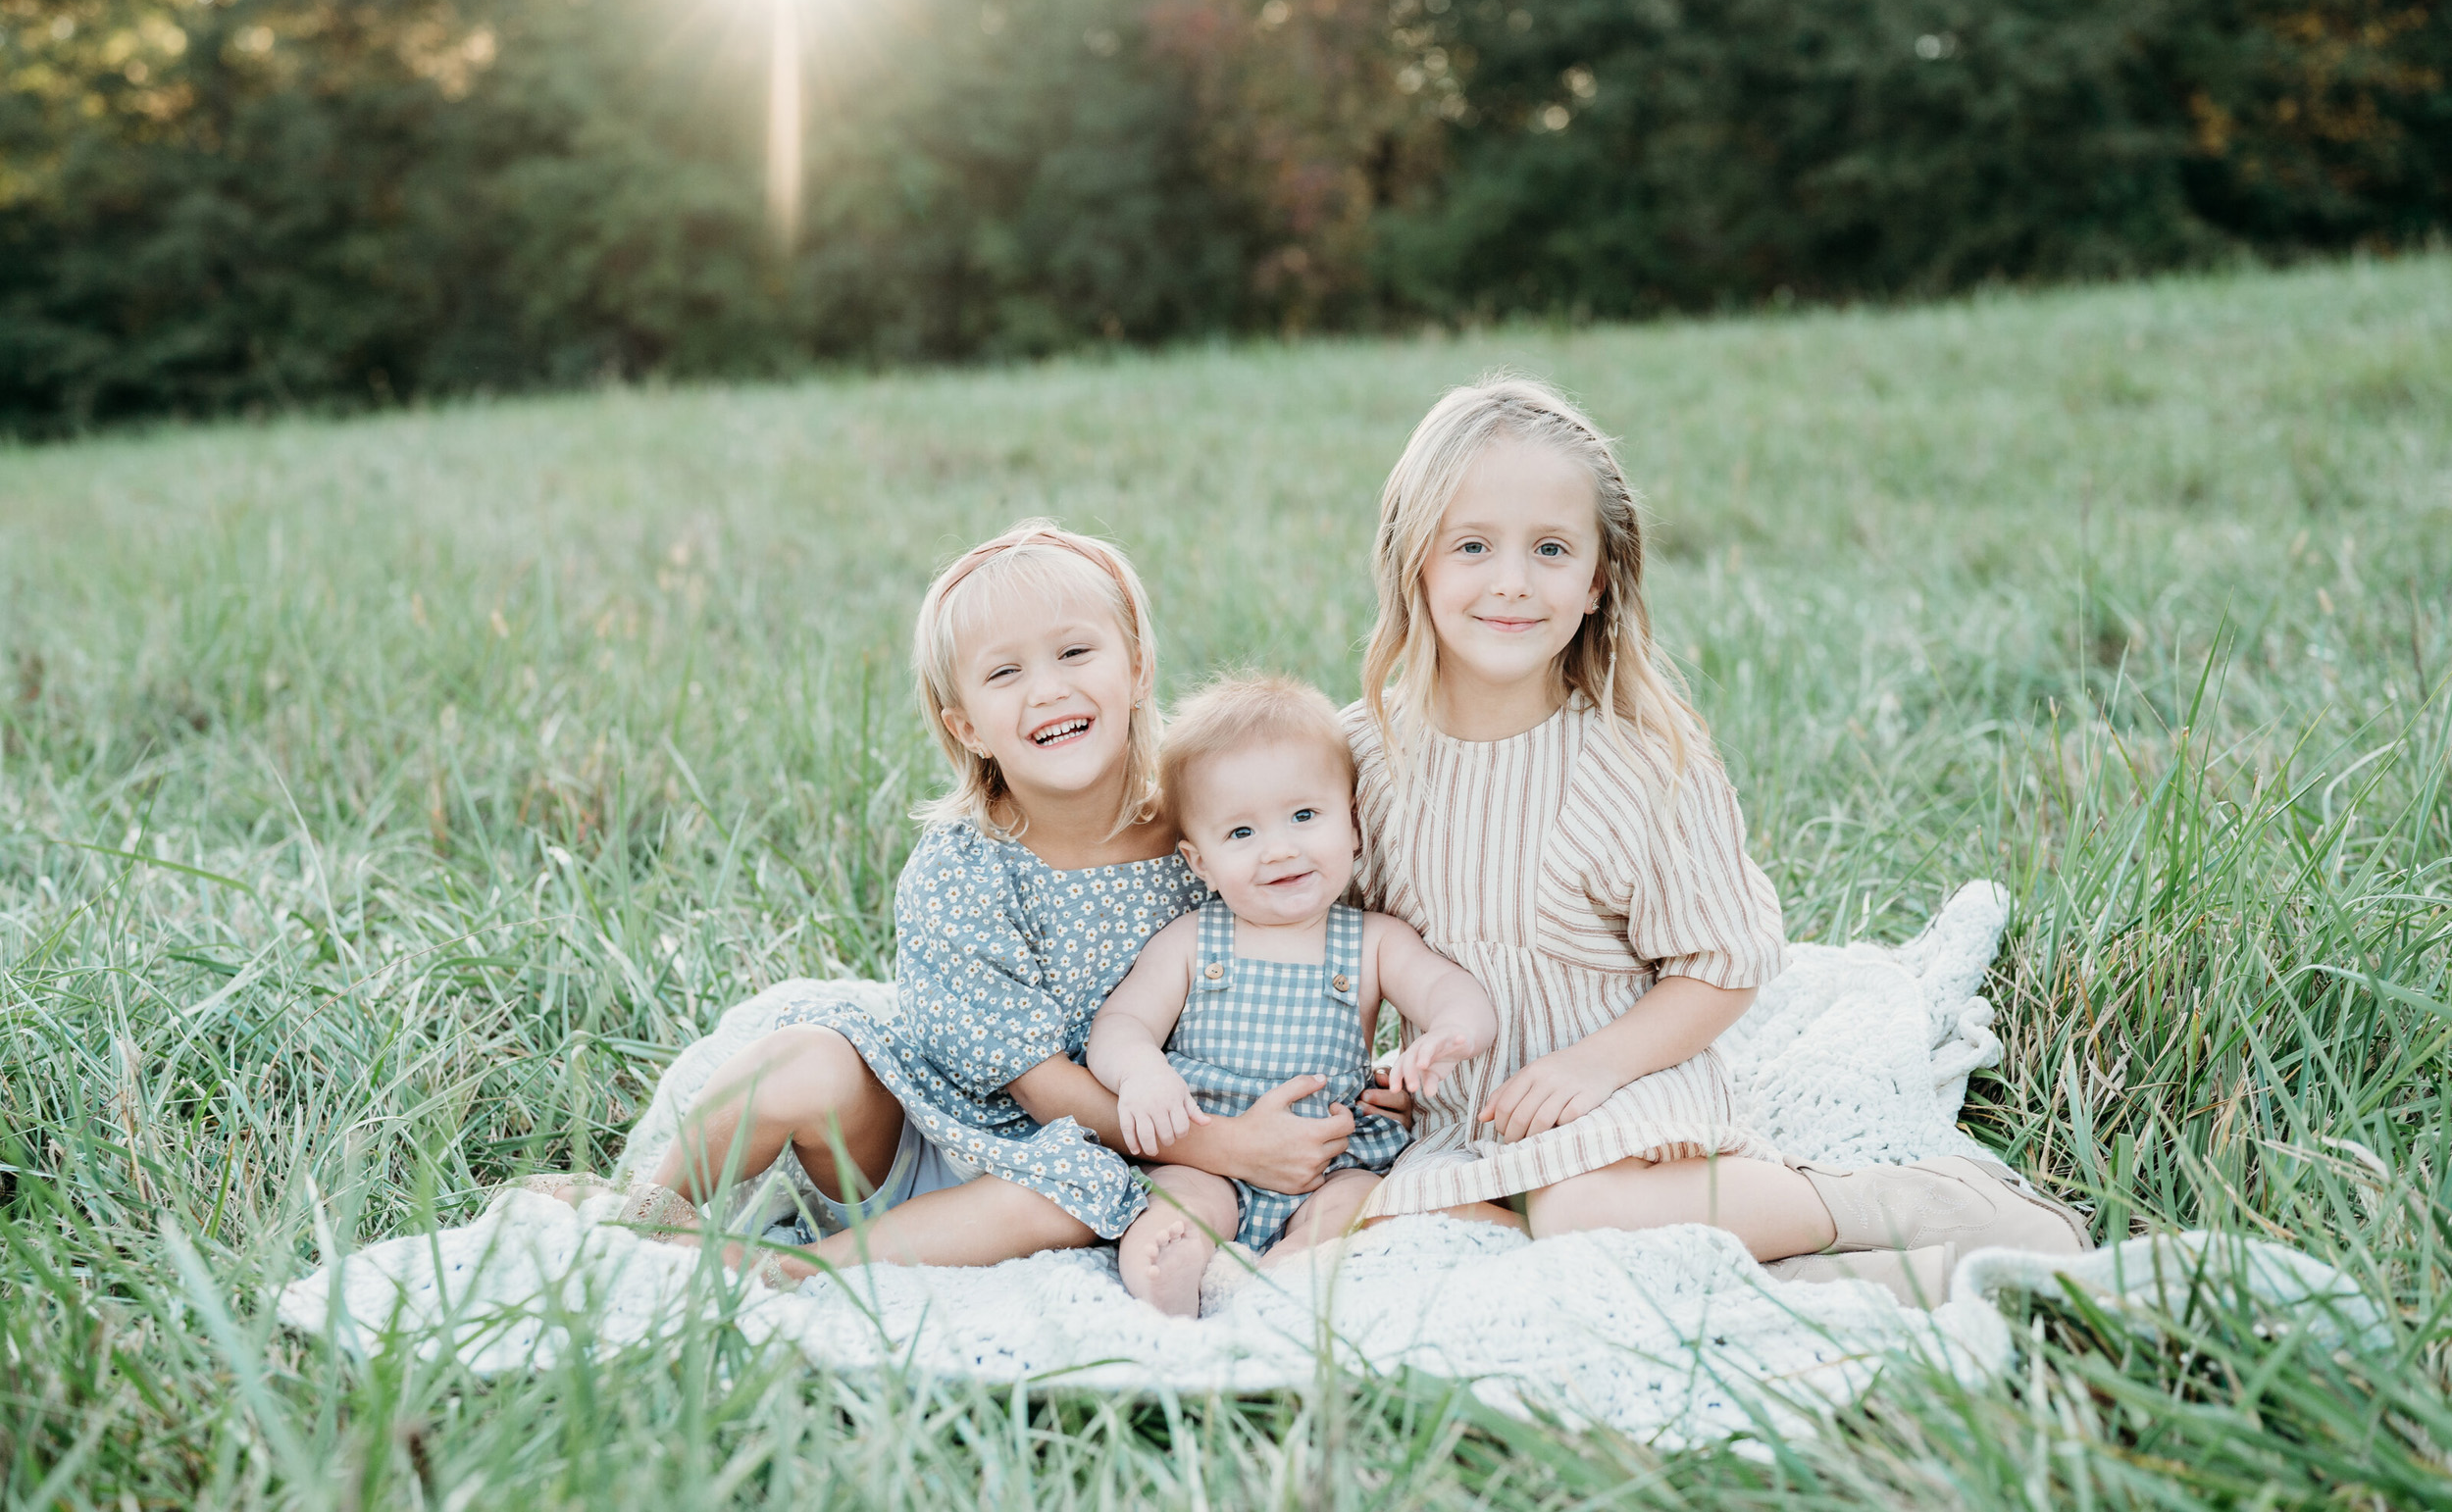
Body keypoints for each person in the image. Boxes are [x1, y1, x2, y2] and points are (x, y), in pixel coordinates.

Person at [1344, 377, 2086, 1305]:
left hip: (1627, 1085)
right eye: (1472, 546)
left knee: (1577, 1210)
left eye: (1550, 549)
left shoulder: (1637, 763)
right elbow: (1343, 942)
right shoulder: (1367, 755)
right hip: (1466, 1111)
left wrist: (1595, 1066)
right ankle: (1865, 1281)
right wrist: (1379, 1067)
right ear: (1413, 561)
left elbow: (1725, 963)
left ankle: (1872, 1207)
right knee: (1399, 1230)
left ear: (1596, 580)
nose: (1511, 580)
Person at [549, 521, 1362, 1280]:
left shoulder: (1211, 842)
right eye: (1005, 673)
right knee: (801, 1056)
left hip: (1107, 1162)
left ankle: (811, 1268)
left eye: (1076, 652)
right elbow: (1042, 1091)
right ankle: (647, 1214)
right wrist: (1232, 1148)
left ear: (1139, 668)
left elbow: (1312, 941)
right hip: (933, 1129)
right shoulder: (963, 870)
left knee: (1068, 1193)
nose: (1047, 690)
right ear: (967, 724)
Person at [1087, 676, 1497, 1315]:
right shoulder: (1193, 939)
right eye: (1241, 834)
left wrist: (1453, 1029)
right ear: (1199, 862)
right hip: (1210, 1146)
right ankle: (1178, 1265)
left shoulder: (1373, 941)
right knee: (1180, 1201)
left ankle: (1288, 1266)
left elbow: (1447, 987)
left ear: (1354, 826)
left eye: (1304, 816)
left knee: (1359, 1197)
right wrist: (1142, 1072)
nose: (1279, 849)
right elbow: (1121, 1022)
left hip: (1328, 1158)